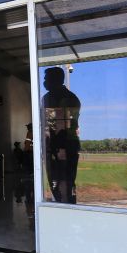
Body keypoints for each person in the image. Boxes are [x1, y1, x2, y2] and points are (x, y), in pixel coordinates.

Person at [42, 67, 81, 204]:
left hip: (63, 145)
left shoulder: (65, 98)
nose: (44, 82)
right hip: (55, 145)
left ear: (56, 80)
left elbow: (61, 125)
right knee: (57, 182)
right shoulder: (48, 98)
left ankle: (68, 210)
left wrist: (52, 142)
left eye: (47, 79)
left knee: (64, 183)